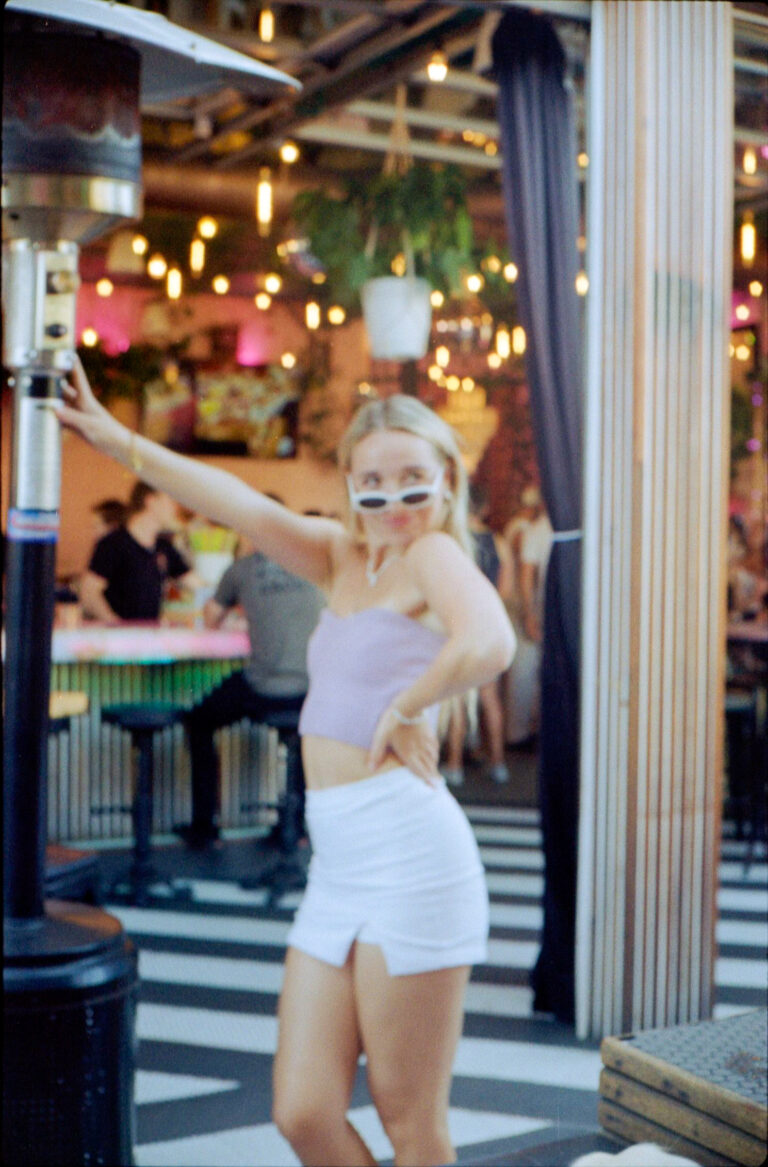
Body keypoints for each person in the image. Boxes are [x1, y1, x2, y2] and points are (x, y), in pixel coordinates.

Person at [53, 359, 516, 1167]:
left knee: (412, 1124)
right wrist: (114, 437)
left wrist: (409, 705)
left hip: (409, 856)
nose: (395, 500)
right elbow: (231, 499)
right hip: (338, 864)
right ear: (350, 483)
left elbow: (491, 640)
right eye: (374, 482)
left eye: (413, 478)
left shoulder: (434, 554)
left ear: (446, 476)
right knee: (303, 1110)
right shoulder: (339, 554)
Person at [176, 529, 325, 848]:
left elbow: (211, 619)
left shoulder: (241, 569)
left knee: (198, 722)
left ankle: (205, 828)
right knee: (304, 735)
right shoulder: (313, 566)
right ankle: (294, 827)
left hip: (263, 687)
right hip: (311, 690)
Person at [442, 482, 515, 785]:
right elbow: (506, 590)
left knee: (458, 699)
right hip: (488, 626)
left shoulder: (453, 542)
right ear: (485, 509)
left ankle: (454, 765)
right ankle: (498, 763)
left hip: (458, 625)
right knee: (490, 697)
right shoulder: (499, 542)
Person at [80, 480, 197, 624]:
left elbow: (194, 583)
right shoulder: (113, 544)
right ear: (151, 501)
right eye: (170, 500)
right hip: (119, 636)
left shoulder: (164, 548)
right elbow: (89, 591)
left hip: (149, 634)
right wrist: (115, 624)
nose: (175, 507)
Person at [502, 484, 552, 745]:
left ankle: (522, 730)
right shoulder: (532, 529)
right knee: (528, 670)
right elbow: (525, 575)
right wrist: (529, 613)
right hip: (534, 608)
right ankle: (523, 731)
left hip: (533, 607)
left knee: (526, 670)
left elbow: (526, 574)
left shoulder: (534, 530)